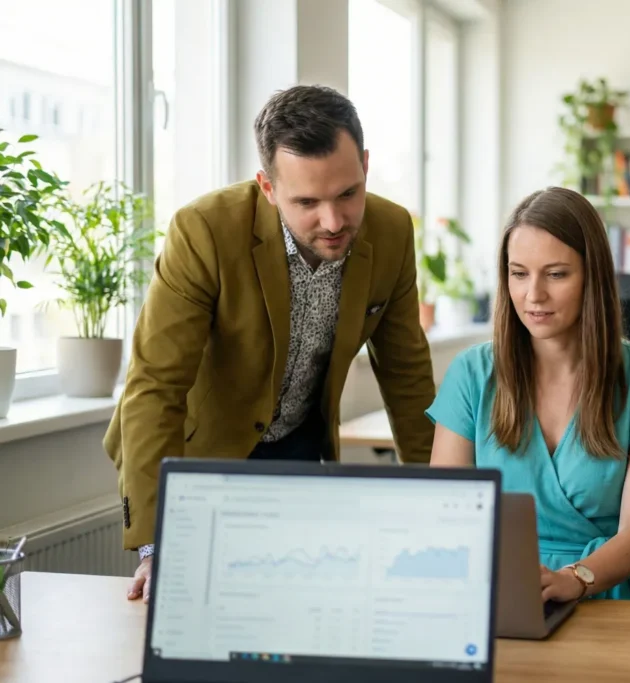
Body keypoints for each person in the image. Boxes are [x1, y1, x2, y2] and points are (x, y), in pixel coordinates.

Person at [105, 85, 437, 603]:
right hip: (199, 455)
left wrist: (442, 510)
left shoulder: (392, 231)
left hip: (299, 449)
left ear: (366, 165)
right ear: (267, 186)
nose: (334, 222)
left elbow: (408, 377)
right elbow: (155, 384)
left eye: (348, 193)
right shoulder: (204, 231)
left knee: (298, 611)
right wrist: (155, 542)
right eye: (307, 202)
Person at [427, 186, 630, 603]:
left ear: (591, 277)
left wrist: (575, 578)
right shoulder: (471, 373)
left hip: (609, 590)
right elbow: (447, 515)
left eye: (556, 274)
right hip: (501, 589)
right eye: (519, 273)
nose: (533, 295)